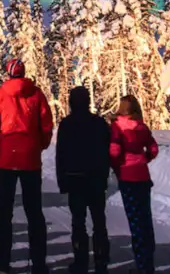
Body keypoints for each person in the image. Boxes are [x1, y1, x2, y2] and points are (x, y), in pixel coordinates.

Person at [0, 59, 54, 274]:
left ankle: (3, 261)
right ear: (24, 73)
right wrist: (39, 145)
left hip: (7, 159)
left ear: (8, 73)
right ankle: (39, 264)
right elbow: (46, 125)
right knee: (34, 211)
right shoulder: (37, 94)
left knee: (4, 211)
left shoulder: (0, 94)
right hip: (30, 160)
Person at [56, 86, 111, 274]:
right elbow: (107, 152)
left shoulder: (66, 124)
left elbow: (60, 155)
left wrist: (62, 180)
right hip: (95, 180)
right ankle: (101, 262)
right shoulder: (99, 123)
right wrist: (105, 175)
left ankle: (80, 263)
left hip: (75, 179)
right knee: (99, 222)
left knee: (78, 222)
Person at [110, 95, 159, 274]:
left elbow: (114, 151)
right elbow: (153, 149)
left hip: (127, 177)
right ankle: (148, 263)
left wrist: (115, 166)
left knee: (135, 221)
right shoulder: (142, 127)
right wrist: (143, 159)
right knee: (146, 219)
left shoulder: (117, 127)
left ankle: (141, 266)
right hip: (143, 177)